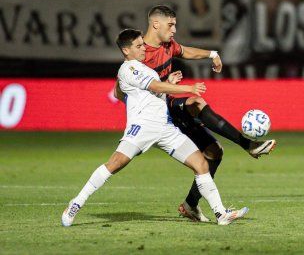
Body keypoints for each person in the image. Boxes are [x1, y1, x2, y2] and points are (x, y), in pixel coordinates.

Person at [61, 29, 249, 227]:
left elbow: (142, 91)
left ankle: (220, 214)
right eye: (139, 46)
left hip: (165, 129)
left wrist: (167, 83)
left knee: (201, 165)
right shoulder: (129, 68)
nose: (144, 48)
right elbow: (153, 88)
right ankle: (76, 203)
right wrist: (187, 88)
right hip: (141, 128)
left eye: (143, 44)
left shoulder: (142, 69)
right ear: (126, 50)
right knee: (114, 164)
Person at [133, 5, 275, 222]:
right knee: (196, 102)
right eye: (171, 25)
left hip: (169, 107)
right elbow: (124, 87)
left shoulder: (168, 45)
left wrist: (212, 54)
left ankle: (190, 205)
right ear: (155, 24)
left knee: (214, 152)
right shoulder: (139, 52)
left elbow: (186, 51)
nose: (174, 30)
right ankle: (248, 145)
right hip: (154, 114)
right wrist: (164, 83)